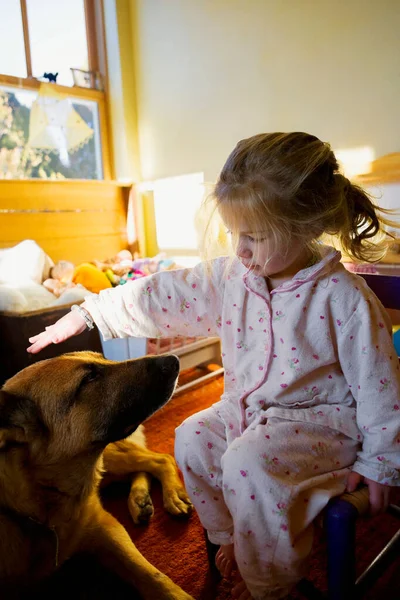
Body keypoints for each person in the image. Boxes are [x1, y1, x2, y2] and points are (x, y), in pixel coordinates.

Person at [27, 132, 400, 600]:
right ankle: (234, 541)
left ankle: (268, 583)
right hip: (245, 411)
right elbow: (161, 294)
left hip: (322, 424)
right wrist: (91, 313)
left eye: (256, 236)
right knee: (190, 436)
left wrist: (382, 462)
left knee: (250, 461)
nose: (240, 249)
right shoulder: (233, 277)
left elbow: (380, 385)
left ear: (306, 226)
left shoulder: (342, 297)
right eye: (233, 233)